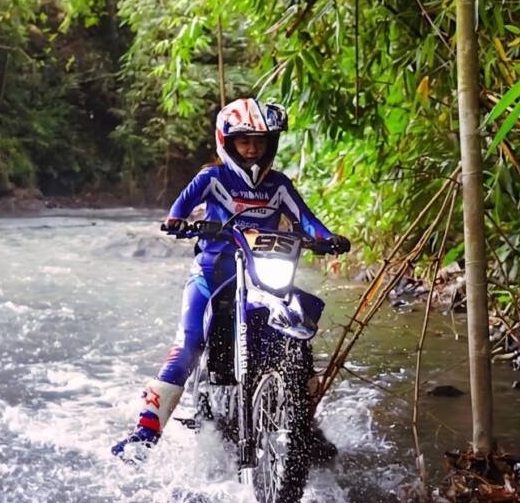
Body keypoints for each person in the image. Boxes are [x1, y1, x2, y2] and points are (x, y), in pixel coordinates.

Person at [112, 97, 349, 460]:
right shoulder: (211, 177)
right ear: (228, 142)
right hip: (213, 271)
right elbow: (178, 211)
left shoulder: (279, 184)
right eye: (244, 141)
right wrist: (178, 224)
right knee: (189, 343)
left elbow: (307, 220)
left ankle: (306, 429)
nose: (252, 149)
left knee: (297, 336)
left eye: (259, 142)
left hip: (263, 271)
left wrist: (327, 238)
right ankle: (144, 434)